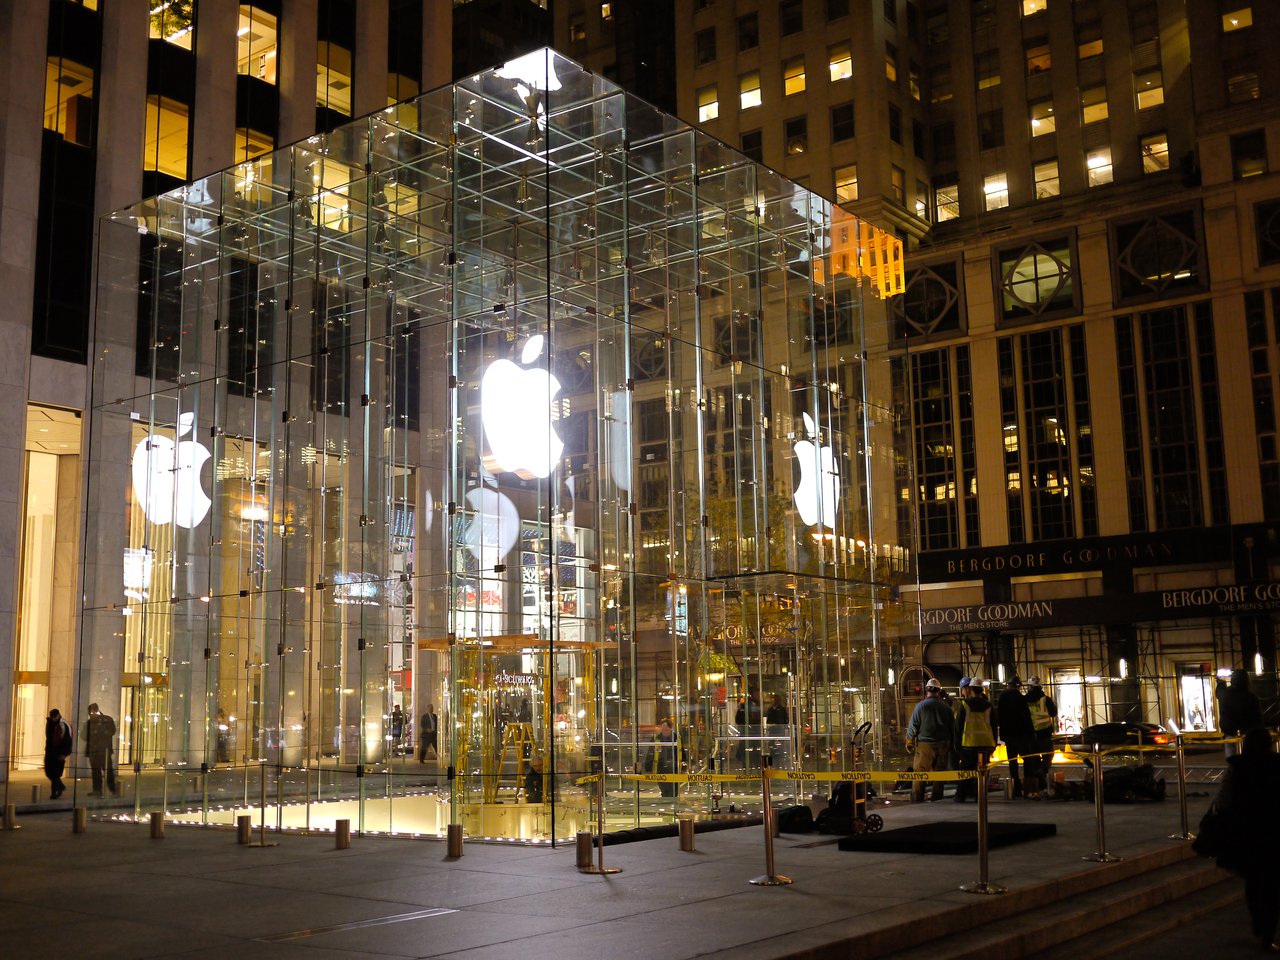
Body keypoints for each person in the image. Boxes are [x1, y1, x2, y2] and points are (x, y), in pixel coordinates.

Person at [1209, 727, 1280, 949]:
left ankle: (1259, 922)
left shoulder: (1237, 767)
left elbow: (1222, 801)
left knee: (1254, 881)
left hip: (1247, 832)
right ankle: (1267, 931)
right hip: (1273, 831)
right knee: (1273, 884)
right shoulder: (1277, 764)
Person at [904, 678, 953, 802]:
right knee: (939, 774)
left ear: (927, 690)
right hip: (943, 745)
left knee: (920, 773)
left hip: (925, 745)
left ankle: (917, 798)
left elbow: (913, 725)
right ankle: (937, 799)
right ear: (939, 691)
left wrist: (909, 740)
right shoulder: (946, 707)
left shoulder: (921, 706)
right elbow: (952, 727)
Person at [954, 678, 997, 802]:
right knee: (982, 773)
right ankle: (978, 796)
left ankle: (960, 796)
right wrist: (993, 745)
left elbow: (958, 728)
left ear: (971, 689)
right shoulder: (989, 706)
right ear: (981, 690)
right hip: (986, 745)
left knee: (966, 772)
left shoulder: (965, 705)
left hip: (969, 745)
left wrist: (957, 746)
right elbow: (994, 727)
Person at [997, 677, 1035, 799]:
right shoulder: (1021, 698)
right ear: (1018, 686)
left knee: (1012, 762)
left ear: (1008, 685)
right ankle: (1028, 789)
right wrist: (1030, 734)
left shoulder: (1002, 698)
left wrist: (1002, 735)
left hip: (1009, 736)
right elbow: (1027, 718)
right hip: (1022, 735)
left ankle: (1015, 788)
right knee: (1027, 761)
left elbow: (1000, 717)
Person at [1024, 676, 1058, 798]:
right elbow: (1054, 713)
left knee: (1034, 761)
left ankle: (1040, 785)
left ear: (1030, 687)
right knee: (1048, 756)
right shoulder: (1046, 699)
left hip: (1031, 736)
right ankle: (1042, 774)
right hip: (1044, 735)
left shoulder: (1024, 700)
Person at [1220, 668, 1264, 757]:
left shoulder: (1225, 695)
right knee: (1249, 762)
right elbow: (1258, 718)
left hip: (1230, 734)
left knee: (1232, 761)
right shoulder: (1251, 697)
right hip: (1249, 735)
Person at [84, 702, 118, 797]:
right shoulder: (90, 722)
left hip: (104, 751)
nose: (92, 714)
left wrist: (100, 733)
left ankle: (113, 789)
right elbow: (85, 736)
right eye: (91, 713)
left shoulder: (107, 720)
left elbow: (112, 731)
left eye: (93, 712)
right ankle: (97, 790)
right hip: (94, 751)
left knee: (108, 771)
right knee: (95, 771)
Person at [643, 718, 678, 798]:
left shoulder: (676, 738)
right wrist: (648, 768)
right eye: (663, 730)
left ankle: (672, 806)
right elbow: (650, 753)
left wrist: (683, 768)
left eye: (666, 730)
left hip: (674, 768)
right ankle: (666, 806)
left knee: (673, 791)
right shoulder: (657, 738)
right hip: (661, 768)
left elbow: (681, 752)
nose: (664, 732)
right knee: (664, 790)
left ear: (671, 728)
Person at [43, 708, 72, 799]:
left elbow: (68, 740)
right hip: (50, 751)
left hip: (59, 752)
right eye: (52, 717)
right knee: (48, 772)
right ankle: (60, 787)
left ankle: (54, 792)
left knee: (55, 774)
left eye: (54, 717)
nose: (53, 719)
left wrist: (64, 753)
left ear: (58, 715)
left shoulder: (63, 725)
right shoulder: (50, 723)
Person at [765, 694, 790, 768]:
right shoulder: (770, 709)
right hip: (772, 731)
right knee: (771, 747)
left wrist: (782, 727)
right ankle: (771, 764)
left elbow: (785, 720)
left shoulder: (781, 709)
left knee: (780, 747)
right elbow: (768, 720)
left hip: (779, 731)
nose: (772, 701)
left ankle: (780, 763)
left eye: (773, 699)